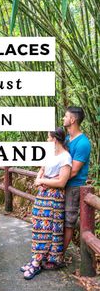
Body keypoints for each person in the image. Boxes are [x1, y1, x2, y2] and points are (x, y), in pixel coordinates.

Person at [20, 127, 72, 280]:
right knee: (38, 224)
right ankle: (37, 257)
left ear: (55, 139)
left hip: (54, 196)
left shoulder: (65, 157)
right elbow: (42, 169)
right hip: (42, 194)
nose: (47, 141)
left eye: (48, 138)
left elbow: (61, 182)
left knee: (48, 227)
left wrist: (42, 181)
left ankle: (38, 262)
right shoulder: (49, 154)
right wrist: (39, 178)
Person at [62, 106, 91, 254]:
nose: (63, 119)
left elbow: (73, 171)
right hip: (62, 184)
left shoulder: (83, 143)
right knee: (59, 219)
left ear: (72, 120)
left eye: (65, 116)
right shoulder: (67, 139)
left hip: (73, 187)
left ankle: (60, 257)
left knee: (68, 222)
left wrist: (54, 180)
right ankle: (54, 253)